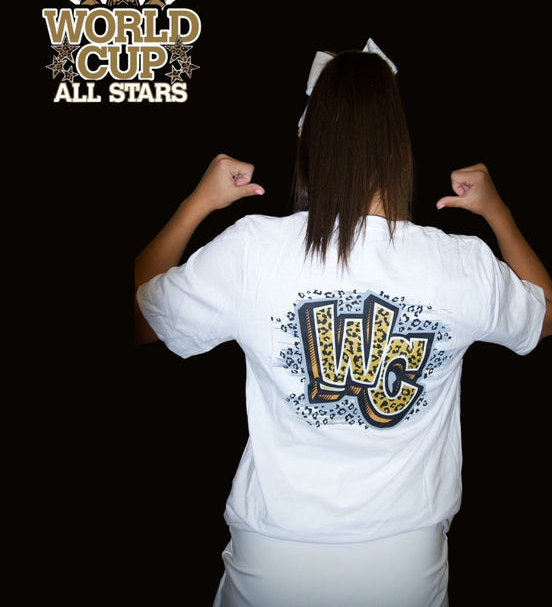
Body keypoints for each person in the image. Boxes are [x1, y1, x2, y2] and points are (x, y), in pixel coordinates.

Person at [134, 46, 552, 607]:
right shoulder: (460, 263)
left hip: (272, 561)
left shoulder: (252, 250)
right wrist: (498, 212)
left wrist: (197, 203)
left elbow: (141, 317)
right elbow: (545, 315)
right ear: (400, 148)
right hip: (404, 565)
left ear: (311, 143)